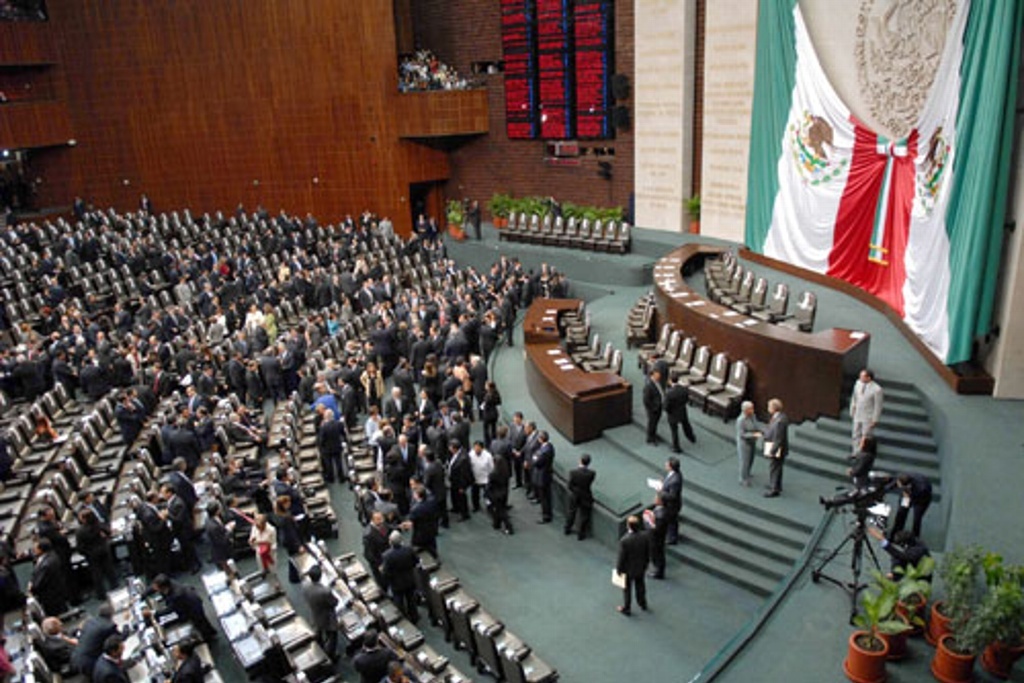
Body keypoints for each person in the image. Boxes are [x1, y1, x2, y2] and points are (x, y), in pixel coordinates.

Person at [150, 574, 218, 643]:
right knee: (201, 620)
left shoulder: (176, 594)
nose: (156, 589)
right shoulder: (168, 583)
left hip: (192, 605)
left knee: (199, 621)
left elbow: (170, 609)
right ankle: (211, 632)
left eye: (157, 588)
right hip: (187, 599)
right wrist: (143, 596)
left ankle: (208, 637)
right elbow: (153, 588)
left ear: (163, 587)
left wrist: (155, 613)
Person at [380, 531, 419, 624]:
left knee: (399, 601)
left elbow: (386, 572)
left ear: (390, 542)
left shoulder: (387, 555)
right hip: (410, 579)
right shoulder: (409, 549)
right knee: (411, 600)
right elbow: (416, 561)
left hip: (396, 583)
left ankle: (403, 620)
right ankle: (414, 617)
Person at [302, 565, 340, 660]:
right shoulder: (325, 591)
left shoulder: (305, 585)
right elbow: (334, 602)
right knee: (333, 635)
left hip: (315, 612)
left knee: (319, 630)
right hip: (327, 617)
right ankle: (331, 656)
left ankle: (320, 646)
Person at [615, 515, 650, 616]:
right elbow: (647, 552)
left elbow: (621, 558)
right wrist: (646, 564)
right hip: (640, 567)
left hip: (628, 569)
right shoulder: (645, 536)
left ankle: (627, 608)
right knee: (640, 586)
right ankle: (643, 604)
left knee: (627, 589)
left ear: (628, 526)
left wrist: (619, 570)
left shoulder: (625, 540)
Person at [72, 604, 119, 676]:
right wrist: (127, 626)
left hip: (77, 658)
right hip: (90, 663)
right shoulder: (108, 626)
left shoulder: (90, 621)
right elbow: (119, 639)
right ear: (111, 614)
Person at [29, 538, 69, 616]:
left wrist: (32, 587)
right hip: (56, 592)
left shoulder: (46, 564)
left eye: (36, 548)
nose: (34, 549)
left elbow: (39, 583)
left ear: (42, 549)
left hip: (50, 596)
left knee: (57, 615)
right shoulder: (52, 555)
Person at [850, 369, 883, 449]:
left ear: (868, 378)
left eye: (862, 376)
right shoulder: (858, 383)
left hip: (868, 416)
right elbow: (854, 397)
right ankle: (855, 452)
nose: (860, 377)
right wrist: (852, 409)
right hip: (858, 414)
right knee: (855, 433)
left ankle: (863, 453)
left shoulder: (877, 389)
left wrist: (875, 419)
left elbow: (878, 406)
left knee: (866, 436)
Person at [564, 454, 595, 540]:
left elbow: (570, 486)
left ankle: (567, 529)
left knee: (571, 512)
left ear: (580, 461)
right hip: (586, 496)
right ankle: (581, 534)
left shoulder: (573, 473)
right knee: (584, 515)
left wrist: (576, 491)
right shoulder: (592, 474)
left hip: (574, 496)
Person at [893, 472, 933, 539]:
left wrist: (908, 495)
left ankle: (914, 538)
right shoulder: (902, 478)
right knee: (901, 512)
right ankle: (896, 533)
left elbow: (918, 497)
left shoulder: (922, 488)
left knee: (917, 518)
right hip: (909, 494)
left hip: (922, 500)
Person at [763, 398, 789, 498]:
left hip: (777, 448)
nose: (768, 409)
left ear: (774, 408)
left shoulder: (780, 421)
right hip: (774, 445)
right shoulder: (778, 417)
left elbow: (778, 439)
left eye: (769, 407)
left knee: (774, 468)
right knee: (776, 467)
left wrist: (772, 451)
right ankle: (775, 485)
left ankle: (774, 489)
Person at [664, 375, 696, 454]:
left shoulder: (669, 393)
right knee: (686, 425)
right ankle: (692, 437)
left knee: (674, 431)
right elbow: (686, 399)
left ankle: (676, 447)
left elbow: (665, 406)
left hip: (673, 414)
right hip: (682, 411)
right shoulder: (684, 389)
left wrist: (669, 411)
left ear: (670, 381)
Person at [531, 430, 555, 523]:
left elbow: (537, 462)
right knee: (545, 497)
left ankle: (546, 516)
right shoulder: (549, 447)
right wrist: (536, 457)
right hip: (545, 476)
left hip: (543, 477)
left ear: (541, 439)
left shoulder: (545, 451)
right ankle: (546, 513)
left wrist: (535, 458)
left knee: (544, 498)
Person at [735, 401, 761, 487]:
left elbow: (756, 425)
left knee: (751, 459)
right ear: (746, 410)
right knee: (744, 461)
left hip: (752, 441)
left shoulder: (753, 416)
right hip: (744, 443)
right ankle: (743, 479)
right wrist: (753, 434)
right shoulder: (740, 420)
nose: (753, 410)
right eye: (751, 408)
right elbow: (742, 434)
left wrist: (761, 431)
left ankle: (748, 473)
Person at [645, 494, 669, 579]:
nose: (654, 499)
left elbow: (657, 528)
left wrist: (648, 523)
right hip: (655, 538)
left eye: (656, 498)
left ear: (660, 501)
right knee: (656, 554)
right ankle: (657, 570)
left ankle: (659, 572)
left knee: (658, 555)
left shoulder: (662, 514)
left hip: (657, 539)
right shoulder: (659, 510)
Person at [660, 457, 682, 545]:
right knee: (670, 520)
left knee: (672, 522)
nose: (665, 464)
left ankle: (672, 539)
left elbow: (673, 496)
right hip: (669, 505)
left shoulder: (675, 480)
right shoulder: (673, 474)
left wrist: (661, 493)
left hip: (672, 506)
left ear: (671, 467)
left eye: (667, 464)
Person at [468, 440, 494, 513]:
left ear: (482, 448)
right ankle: (476, 506)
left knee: (488, 495)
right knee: (474, 495)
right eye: (475, 448)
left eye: (478, 448)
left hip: (485, 479)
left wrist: (490, 478)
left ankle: (489, 507)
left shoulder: (488, 456)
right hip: (475, 479)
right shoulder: (470, 454)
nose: (476, 450)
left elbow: (491, 468)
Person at [643, 368, 665, 445]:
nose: (660, 375)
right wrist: (653, 408)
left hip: (658, 407)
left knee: (655, 423)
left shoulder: (657, 382)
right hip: (653, 409)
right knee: (652, 423)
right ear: (654, 374)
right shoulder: (649, 385)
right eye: (658, 373)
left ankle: (654, 435)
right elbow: (646, 400)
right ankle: (650, 438)